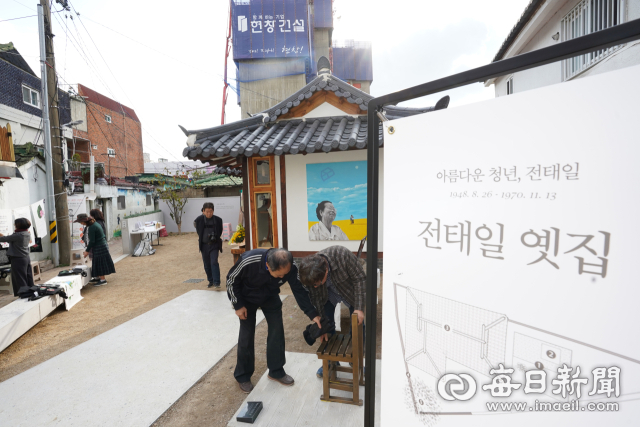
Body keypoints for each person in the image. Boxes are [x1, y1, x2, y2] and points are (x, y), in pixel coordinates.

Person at [226, 248, 319, 393]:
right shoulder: (248, 261)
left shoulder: (290, 266)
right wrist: (238, 305)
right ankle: (243, 375)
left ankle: (276, 371)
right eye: (280, 274)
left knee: (277, 330)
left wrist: (312, 313)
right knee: (247, 334)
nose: (283, 276)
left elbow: (299, 290)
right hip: (247, 298)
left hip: (270, 296)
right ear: (268, 265)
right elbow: (231, 280)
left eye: (285, 274)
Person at [297, 245, 366, 378]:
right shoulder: (309, 273)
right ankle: (330, 362)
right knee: (327, 325)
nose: (314, 287)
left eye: (317, 283)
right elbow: (316, 299)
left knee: (358, 324)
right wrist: (322, 326)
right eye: (313, 285)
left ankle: (355, 360)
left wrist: (359, 307)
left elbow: (360, 278)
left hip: (350, 293)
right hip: (326, 296)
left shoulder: (341, 255)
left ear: (326, 271)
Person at [76, 213, 115, 286]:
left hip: (99, 245)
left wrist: (87, 251)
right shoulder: (94, 224)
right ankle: (98, 277)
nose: (81, 223)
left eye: (80, 222)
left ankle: (103, 280)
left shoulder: (92, 227)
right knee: (97, 262)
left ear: (85, 221)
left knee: (99, 262)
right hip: (101, 244)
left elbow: (92, 241)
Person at [0, 218, 35, 296]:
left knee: (20, 278)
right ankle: (30, 291)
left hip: (18, 259)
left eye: (15, 224)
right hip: (25, 258)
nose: (14, 226)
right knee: (27, 276)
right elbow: (10, 239)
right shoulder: (26, 233)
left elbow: (3, 239)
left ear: (19, 225)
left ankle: (23, 294)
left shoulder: (18, 235)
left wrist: (2, 236)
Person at [195, 202, 223, 288]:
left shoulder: (218, 220)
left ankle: (217, 282)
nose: (209, 213)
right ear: (203, 211)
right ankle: (210, 280)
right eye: (207, 211)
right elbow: (198, 231)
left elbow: (220, 231)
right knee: (207, 264)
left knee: (214, 262)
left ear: (213, 211)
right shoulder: (199, 220)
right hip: (204, 245)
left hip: (214, 245)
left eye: (211, 211)